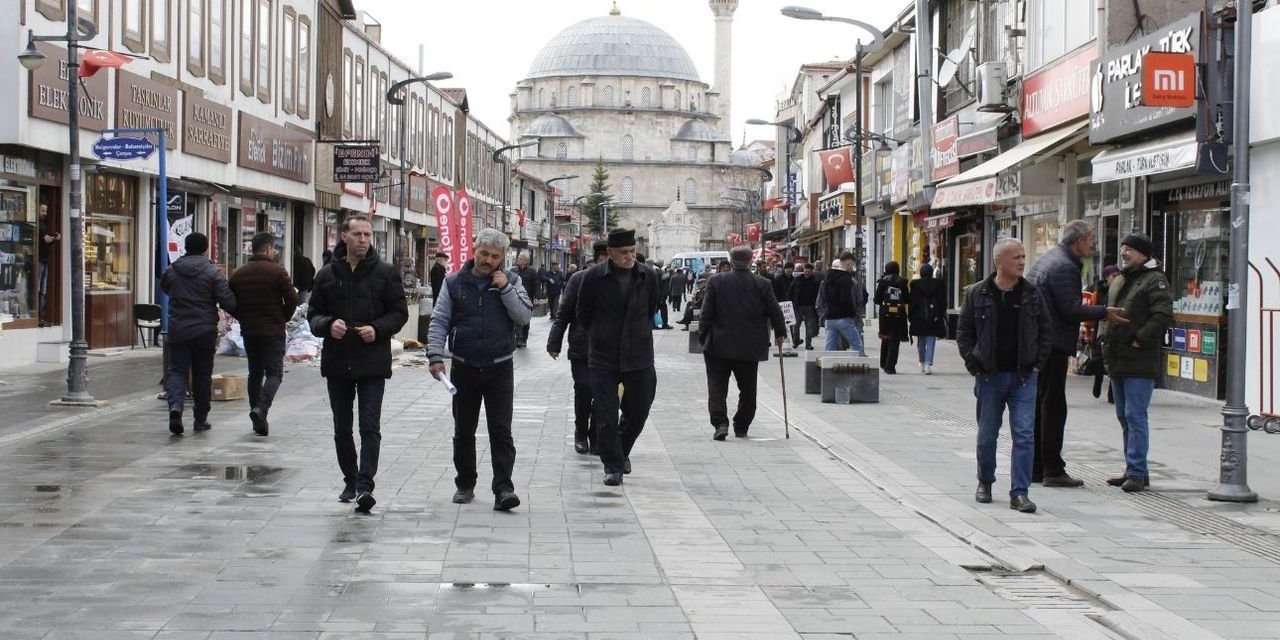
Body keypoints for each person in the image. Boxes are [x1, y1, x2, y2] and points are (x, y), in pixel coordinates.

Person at [308, 216, 408, 515]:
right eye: (358, 234)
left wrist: (377, 329)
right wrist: (328, 325)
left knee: (369, 426)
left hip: (372, 362)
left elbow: (399, 313)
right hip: (338, 361)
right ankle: (350, 479)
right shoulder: (326, 275)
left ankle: (365, 485)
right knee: (342, 427)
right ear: (344, 237)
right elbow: (313, 316)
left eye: (368, 234)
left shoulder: (386, 273)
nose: (364, 239)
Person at [428, 228, 532, 511]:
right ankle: (465, 484)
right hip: (464, 366)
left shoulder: (511, 280)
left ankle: (504, 489)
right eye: (484, 253)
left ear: (502, 258)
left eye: (495, 256)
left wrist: (506, 289)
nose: (488, 260)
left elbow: (523, 315)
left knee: (501, 430)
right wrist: (435, 355)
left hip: (500, 367)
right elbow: (439, 320)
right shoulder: (454, 283)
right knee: (464, 430)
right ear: (475, 250)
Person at [1025, 219, 1127, 487]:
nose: (1093, 244)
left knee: (1042, 404)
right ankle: (1052, 469)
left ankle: (1037, 466)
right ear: (1079, 241)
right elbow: (1070, 308)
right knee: (1053, 407)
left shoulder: (1052, 259)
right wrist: (1105, 311)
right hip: (1052, 344)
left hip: (1042, 342)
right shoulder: (1065, 266)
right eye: (1091, 239)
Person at [957, 238, 1052, 514]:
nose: (1022, 262)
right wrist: (973, 363)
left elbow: (1046, 331)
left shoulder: (1032, 293)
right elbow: (964, 332)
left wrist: (1038, 363)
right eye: (1016, 257)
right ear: (999, 261)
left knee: (1024, 435)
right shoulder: (978, 293)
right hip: (989, 377)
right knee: (987, 436)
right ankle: (985, 481)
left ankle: (1019, 492)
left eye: (1023, 256)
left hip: (1024, 377)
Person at [576, 228, 662, 486]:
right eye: (624, 252)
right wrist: (602, 334)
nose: (629, 256)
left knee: (639, 409)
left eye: (632, 251)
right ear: (610, 253)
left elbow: (652, 307)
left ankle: (622, 449)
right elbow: (584, 313)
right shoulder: (593, 278)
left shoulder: (648, 276)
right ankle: (612, 465)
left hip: (639, 354)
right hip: (604, 355)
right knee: (605, 412)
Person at [1099, 234, 1172, 493]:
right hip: (1118, 358)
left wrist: (1140, 340)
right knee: (1124, 416)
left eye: (1129, 249)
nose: (1124, 253)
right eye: (1122, 249)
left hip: (1139, 360)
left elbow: (1162, 316)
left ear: (1143, 254)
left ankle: (1137, 473)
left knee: (1135, 415)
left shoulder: (1155, 280)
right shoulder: (1121, 278)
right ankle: (1134, 468)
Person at [699, 246, 787, 441]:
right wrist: (780, 333)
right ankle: (742, 425)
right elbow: (775, 311)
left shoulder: (716, 281)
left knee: (717, 387)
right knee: (748, 388)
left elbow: (706, 313)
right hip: (750, 345)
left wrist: (703, 336)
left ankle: (720, 423)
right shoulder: (762, 284)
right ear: (750, 263)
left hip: (718, 344)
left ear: (730, 262)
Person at [161, 232, 237, 435]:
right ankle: (200, 418)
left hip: (178, 329)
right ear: (205, 249)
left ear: (186, 247)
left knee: (177, 371)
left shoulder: (172, 270)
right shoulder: (213, 273)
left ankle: (175, 407)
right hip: (204, 331)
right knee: (202, 375)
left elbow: (165, 288)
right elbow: (227, 301)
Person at [229, 232, 300, 437]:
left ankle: (256, 416)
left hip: (250, 330)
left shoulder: (238, 274)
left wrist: (242, 316)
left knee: (255, 372)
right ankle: (261, 408)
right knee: (274, 373)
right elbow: (293, 300)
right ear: (269, 249)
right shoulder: (277, 272)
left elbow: (229, 301)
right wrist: (282, 318)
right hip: (273, 330)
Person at [549, 241, 610, 454]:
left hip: (610, 349)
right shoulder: (579, 279)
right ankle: (580, 432)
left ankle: (596, 435)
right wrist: (554, 342)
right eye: (604, 256)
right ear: (598, 258)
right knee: (584, 388)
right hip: (582, 346)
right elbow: (564, 312)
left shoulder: (619, 280)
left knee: (604, 394)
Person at [821, 252, 866, 354]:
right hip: (844, 317)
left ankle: (827, 368)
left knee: (829, 348)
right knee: (857, 345)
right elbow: (845, 298)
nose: (852, 268)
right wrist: (852, 313)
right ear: (848, 263)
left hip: (830, 317)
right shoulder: (846, 278)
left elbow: (824, 296)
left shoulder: (828, 277)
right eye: (852, 265)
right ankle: (855, 368)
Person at [1088, 265, 1121, 400]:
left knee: (1113, 360)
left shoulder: (1120, 289)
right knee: (1100, 358)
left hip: (1116, 326)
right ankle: (1098, 380)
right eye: (1113, 276)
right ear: (1106, 277)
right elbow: (1092, 313)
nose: (1116, 278)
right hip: (1101, 326)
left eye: (1117, 275)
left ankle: (1112, 393)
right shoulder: (1099, 293)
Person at [908, 263, 947, 374]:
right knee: (931, 339)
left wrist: (910, 316)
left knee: (921, 340)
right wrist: (940, 314)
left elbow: (912, 303)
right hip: (934, 317)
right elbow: (942, 302)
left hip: (919, 317)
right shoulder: (939, 284)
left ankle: (922, 362)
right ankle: (928, 364)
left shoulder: (915, 285)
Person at [874, 261, 910, 374]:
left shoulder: (883, 282)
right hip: (899, 315)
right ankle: (891, 366)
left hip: (885, 315)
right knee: (895, 339)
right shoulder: (902, 283)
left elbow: (877, 299)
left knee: (885, 338)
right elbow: (907, 299)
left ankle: (883, 363)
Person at [788, 263, 821, 350]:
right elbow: (791, 291)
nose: (807, 272)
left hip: (810, 307)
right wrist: (790, 301)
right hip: (798, 306)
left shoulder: (815, 282)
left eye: (809, 271)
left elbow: (818, 294)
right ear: (804, 270)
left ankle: (808, 344)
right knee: (796, 325)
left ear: (812, 271)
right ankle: (796, 341)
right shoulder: (797, 279)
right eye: (806, 271)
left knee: (809, 327)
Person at [37, 203, 60, 326]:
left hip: (44, 260)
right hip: (39, 260)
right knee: (39, 288)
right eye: (42, 210)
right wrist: (55, 238)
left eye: (46, 211)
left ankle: (40, 316)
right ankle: (38, 316)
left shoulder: (43, 224)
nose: (45, 213)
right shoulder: (39, 225)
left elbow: (46, 241)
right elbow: (46, 239)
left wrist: (53, 239)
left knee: (43, 289)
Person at [513, 253, 540, 347]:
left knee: (526, 320)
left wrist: (536, 298)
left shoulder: (532, 272)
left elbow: (536, 285)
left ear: (526, 261)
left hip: (528, 299)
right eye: (518, 258)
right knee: (516, 319)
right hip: (516, 298)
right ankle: (518, 339)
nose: (518, 259)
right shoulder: (513, 271)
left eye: (520, 258)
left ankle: (524, 338)